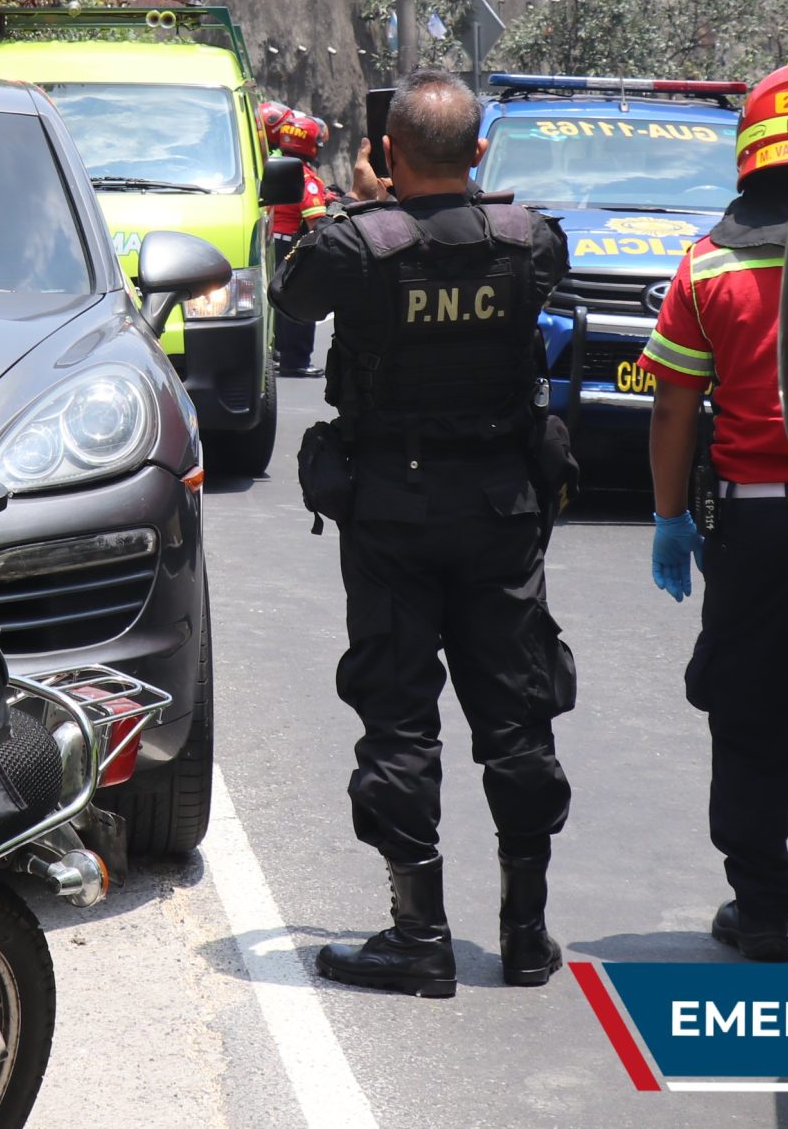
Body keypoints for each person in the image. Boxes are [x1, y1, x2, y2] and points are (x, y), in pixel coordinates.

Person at [269, 70, 577, 997]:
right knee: (517, 714)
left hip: (394, 514)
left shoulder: (355, 246)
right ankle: (525, 936)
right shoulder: (533, 240)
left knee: (400, 718)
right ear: (480, 151)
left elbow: (293, 297)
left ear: (387, 152)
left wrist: (369, 206)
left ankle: (420, 936)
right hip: (500, 510)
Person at [640, 57, 788, 966]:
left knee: (749, 719)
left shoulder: (708, 267)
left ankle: (763, 910)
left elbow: (672, 407)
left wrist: (669, 516)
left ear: (750, 146)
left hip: (753, 532)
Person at [265, 106, 331, 377]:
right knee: (303, 297)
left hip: (272, 241)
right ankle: (298, 360)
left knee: (279, 298)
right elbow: (316, 221)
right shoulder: (308, 178)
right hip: (294, 243)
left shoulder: (273, 167)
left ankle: (281, 353)